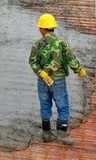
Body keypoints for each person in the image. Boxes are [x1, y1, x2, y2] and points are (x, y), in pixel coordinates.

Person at [29, 13, 87, 145]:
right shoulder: (62, 44)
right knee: (63, 105)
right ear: (53, 28)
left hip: (43, 80)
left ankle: (46, 134)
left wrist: (42, 73)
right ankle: (62, 134)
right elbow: (71, 60)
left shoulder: (37, 44)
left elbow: (32, 62)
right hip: (59, 80)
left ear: (41, 29)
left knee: (45, 104)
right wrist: (79, 70)